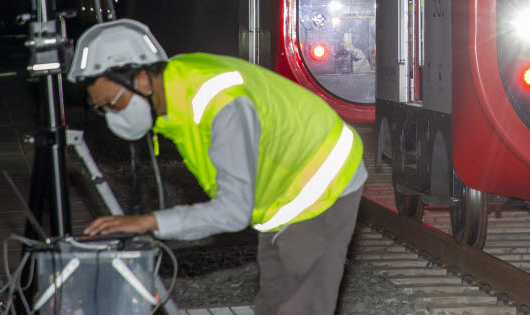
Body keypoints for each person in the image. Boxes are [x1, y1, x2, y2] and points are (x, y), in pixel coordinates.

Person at [66, 19, 367, 315]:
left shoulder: (221, 107)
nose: (111, 116)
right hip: (285, 187)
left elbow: (233, 211)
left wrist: (149, 222)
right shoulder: (177, 84)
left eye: (113, 103)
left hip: (323, 181)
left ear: (142, 79)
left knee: (301, 306)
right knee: (272, 303)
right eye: (102, 108)